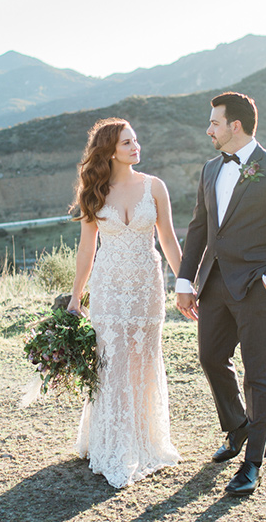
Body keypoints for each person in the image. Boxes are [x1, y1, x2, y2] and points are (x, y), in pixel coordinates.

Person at [176, 92, 266, 496]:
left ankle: (252, 463)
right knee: (211, 357)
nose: (208, 129)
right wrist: (186, 281)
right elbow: (200, 228)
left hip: (255, 286)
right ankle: (237, 428)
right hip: (215, 283)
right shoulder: (210, 169)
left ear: (235, 125)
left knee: (259, 373)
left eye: (214, 122)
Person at [66, 117, 183, 489]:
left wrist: (185, 283)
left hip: (147, 286)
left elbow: (168, 240)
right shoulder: (94, 190)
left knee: (144, 360)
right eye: (127, 143)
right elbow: (87, 248)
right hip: (109, 287)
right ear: (110, 152)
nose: (136, 147)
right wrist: (75, 297)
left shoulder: (155, 186)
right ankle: (110, 442)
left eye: (136, 140)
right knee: (112, 362)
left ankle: (145, 440)